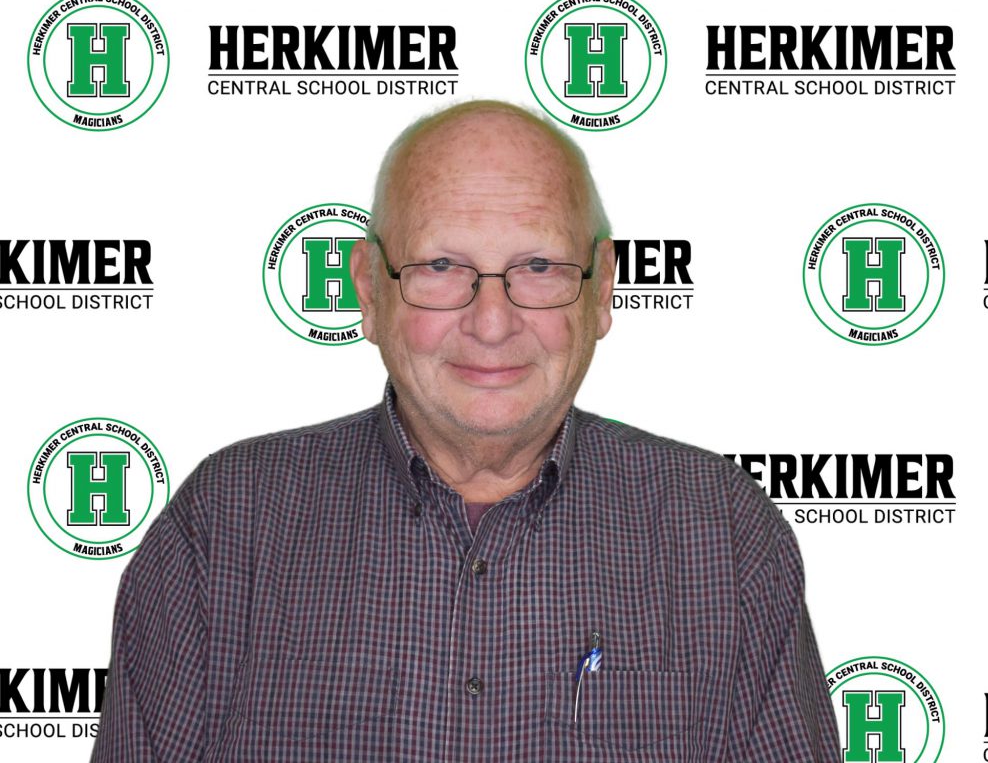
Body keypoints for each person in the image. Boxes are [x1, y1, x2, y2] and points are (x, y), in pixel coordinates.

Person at [92, 100, 840, 761]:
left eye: (539, 266)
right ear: (368, 289)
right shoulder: (227, 526)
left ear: (602, 289)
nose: (491, 321)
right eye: (443, 264)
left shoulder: (723, 532)